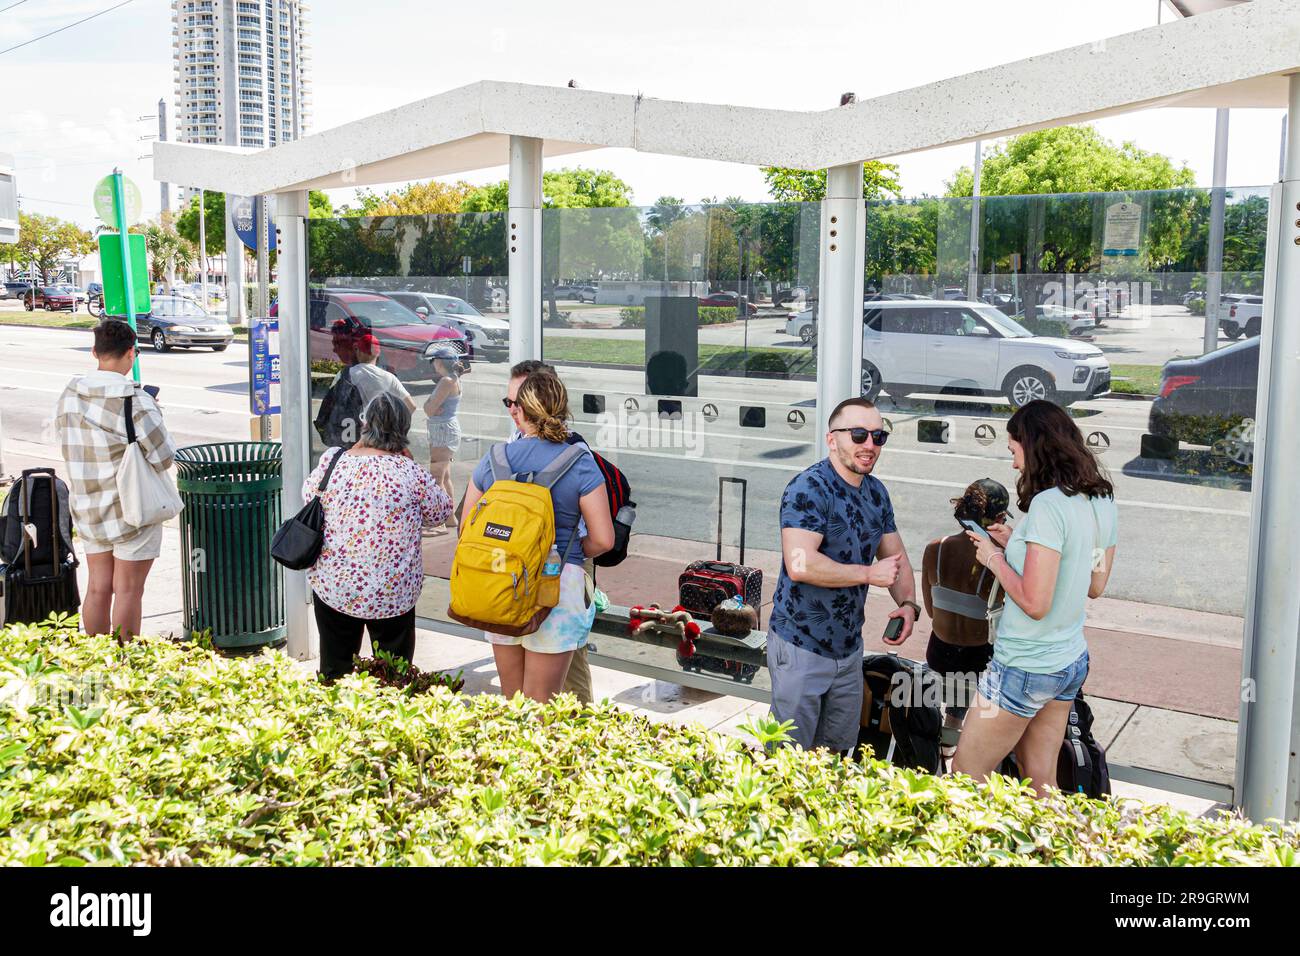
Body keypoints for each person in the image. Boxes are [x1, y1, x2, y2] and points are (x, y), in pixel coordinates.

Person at [951, 400, 1118, 797]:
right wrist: (1019, 547)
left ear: (1033, 445)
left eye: (1013, 451)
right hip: (1068, 661)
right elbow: (1094, 583)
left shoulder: (1046, 506)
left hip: (1023, 667)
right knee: (1041, 780)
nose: (1013, 465)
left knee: (964, 774)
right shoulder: (1099, 499)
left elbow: (1034, 603)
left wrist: (993, 557)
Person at [768, 397, 921, 753]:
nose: (869, 445)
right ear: (832, 439)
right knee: (787, 760)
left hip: (849, 650)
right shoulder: (808, 489)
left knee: (835, 757)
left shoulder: (876, 493)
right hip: (800, 645)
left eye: (878, 437)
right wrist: (868, 573)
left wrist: (909, 604)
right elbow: (800, 564)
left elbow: (896, 557)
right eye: (858, 434)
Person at [461, 370, 614, 703]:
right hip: (556, 587)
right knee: (543, 705)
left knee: (514, 703)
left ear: (521, 411)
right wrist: (570, 551)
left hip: (501, 583)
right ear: (562, 408)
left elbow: (466, 527)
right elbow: (603, 539)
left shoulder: (495, 458)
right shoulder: (579, 461)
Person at [303, 392, 452, 681]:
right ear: (404, 430)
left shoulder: (333, 461)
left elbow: (309, 497)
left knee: (335, 669)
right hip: (393, 590)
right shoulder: (409, 472)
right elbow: (440, 511)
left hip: (336, 586)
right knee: (393, 675)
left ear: (364, 423)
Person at [54, 319, 177, 639]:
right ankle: (124, 666)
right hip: (130, 509)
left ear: (95, 352)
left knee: (97, 588)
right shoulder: (134, 401)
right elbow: (164, 457)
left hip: (88, 507)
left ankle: (97, 660)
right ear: (131, 353)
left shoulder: (70, 393)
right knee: (128, 591)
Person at [501, 359, 598, 704]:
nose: (514, 410)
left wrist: (569, 554)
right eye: (509, 402)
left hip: (558, 572)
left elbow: (595, 535)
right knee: (526, 695)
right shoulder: (508, 445)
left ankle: (579, 734)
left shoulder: (575, 453)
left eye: (521, 402)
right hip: (514, 571)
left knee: (568, 677)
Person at [921, 478, 1010, 758]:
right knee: (970, 693)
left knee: (941, 686)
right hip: (976, 656)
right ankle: (954, 738)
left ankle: (936, 742)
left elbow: (931, 609)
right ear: (999, 518)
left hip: (939, 649)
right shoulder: (997, 561)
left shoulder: (935, 548)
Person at [423, 348, 463, 534]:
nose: (432, 363)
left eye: (434, 360)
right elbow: (431, 407)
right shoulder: (453, 379)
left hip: (442, 430)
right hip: (445, 429)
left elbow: (429, 409)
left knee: (436, 476)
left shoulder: (446, 381)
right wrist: (430, 406)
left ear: (440, 362)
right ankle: (449, 518)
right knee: (444, 476)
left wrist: (429, 405)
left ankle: (437, 522)